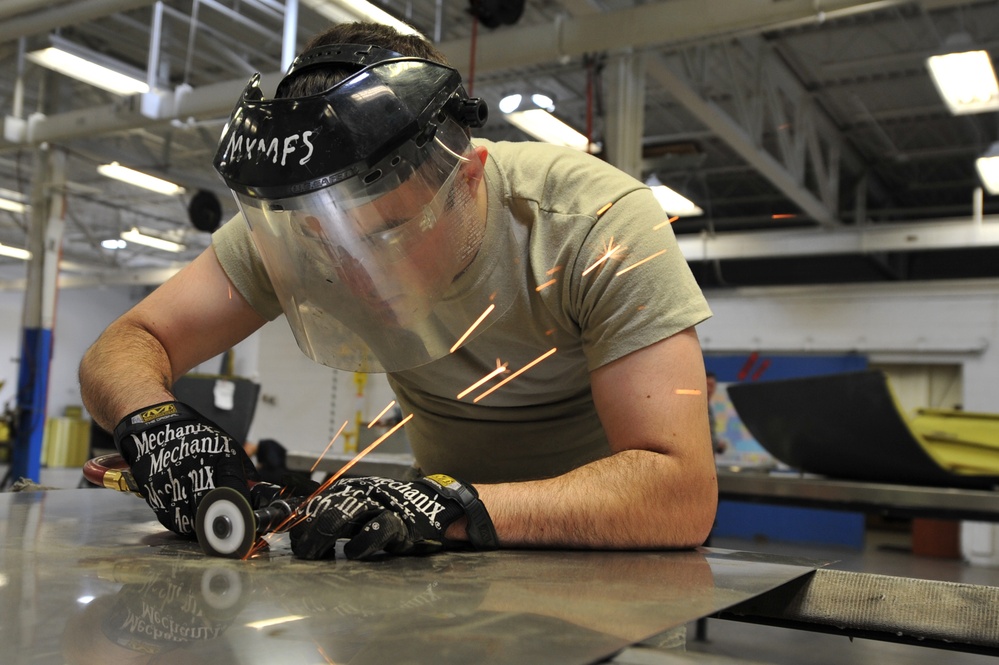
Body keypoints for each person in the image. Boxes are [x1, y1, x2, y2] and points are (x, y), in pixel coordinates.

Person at [78, 22, 717, 561]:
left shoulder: (595, 224)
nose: (354, 271)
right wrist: (155, 423)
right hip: (439, 542)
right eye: (325, 241)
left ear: (469, 178)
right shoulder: (302, 230)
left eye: (388, 233)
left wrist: (455, 505)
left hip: (605, 554)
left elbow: (680, 492)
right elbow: (128, 343)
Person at [705, 371, 726, 455]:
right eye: (707, 384)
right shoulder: (697, 408)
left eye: (712, 385)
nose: (709, 389)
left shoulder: (709, 407)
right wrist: (717, 444)